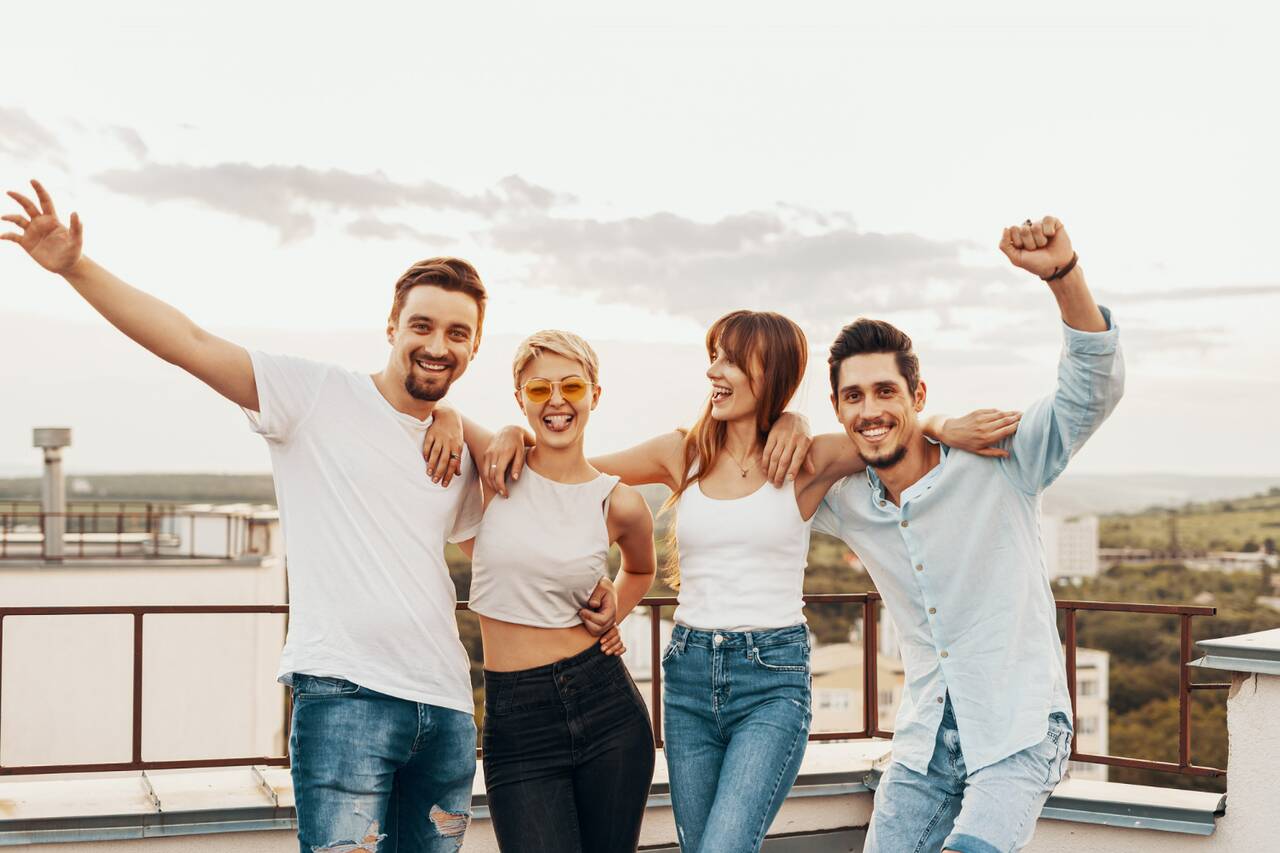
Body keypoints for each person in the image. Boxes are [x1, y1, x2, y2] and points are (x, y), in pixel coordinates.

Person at [0, 180, 615, 853]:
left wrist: (600, 578)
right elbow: (189, 341)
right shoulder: (313, 396)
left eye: (457, 333)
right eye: (422, 325)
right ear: (391, 327)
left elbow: (519, 540)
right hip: (345, 699)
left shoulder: (459, 449)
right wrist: (74, 266)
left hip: (445, 714)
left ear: (473, 349)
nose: (438, 344)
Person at [471, 311, 1017, 852]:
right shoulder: (683, 452)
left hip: (771, 683)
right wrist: (515, 433)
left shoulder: (805, 459)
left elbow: (885, 430)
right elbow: (572, 469)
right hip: (686, 677)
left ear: (771, 374)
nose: (715, 371)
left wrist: (940, 424)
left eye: (731, 360)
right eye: (714, 357)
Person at [813, 216, 1123, 853]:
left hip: (1018, 729)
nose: (869, 410)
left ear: (917, 392)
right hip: (925, 739)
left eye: (885, 391)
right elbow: (744, 469)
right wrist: (796, 426)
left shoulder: (999, 460)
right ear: (838, 408)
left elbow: (1089, 392)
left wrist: (1064, 277)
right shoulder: (848, 503)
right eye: (852, 398)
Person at [457, 330, 657, 852]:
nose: (557, 401)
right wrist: (505, 432)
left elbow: (639, 570)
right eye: (539, 390)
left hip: (606, 705)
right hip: (516, 718)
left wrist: (617, 605)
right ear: (520, 398)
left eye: (571, 386)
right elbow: (441, 416)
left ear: (595, 393)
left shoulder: (619, 502)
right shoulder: (493, 468)